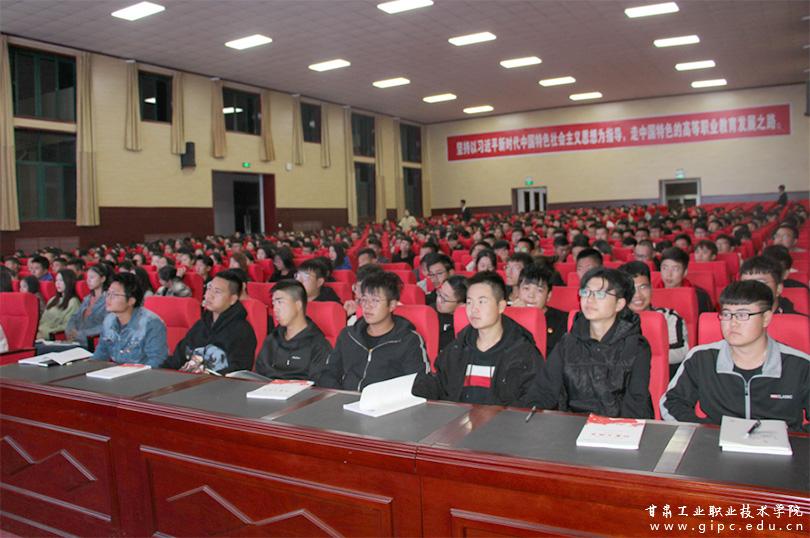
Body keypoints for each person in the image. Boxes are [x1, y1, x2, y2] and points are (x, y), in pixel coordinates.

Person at [661, 280, 809, 432]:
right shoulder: (701, 358)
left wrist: (793, 440)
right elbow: (671, 402)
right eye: (726, 314)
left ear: (766, 318)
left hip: (781, 443)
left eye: (742, 315)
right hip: (716, 441)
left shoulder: (800, 365)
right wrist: (705, 432)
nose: (732, 323)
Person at [527, 267, 654, 418]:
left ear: (619, 304)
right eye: (585, 292)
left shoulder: (636, 346)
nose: (589, 300)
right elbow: (544, 391)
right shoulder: (568, 342)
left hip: (617, 426)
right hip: (573, 424)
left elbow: (636, 404)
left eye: (600, 294)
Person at [412, 272, 543, 406]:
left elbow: (532, 402)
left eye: (482, 302)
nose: (474, 309)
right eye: (469, 302)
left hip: (504, 419)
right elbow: (438, 384)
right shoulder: (458, 348)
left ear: (501, 306)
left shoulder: (523, 353)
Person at [318, 271, 430, 390]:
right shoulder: (348, 335)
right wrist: (341, 396)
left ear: (392, 305)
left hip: (386, 400)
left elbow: (419, 384)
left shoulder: (409, 341)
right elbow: (328, 374)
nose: (367, 306)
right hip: (346, 398)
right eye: (364, 299)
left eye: (375, 301)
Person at [164, 270, 257, 374]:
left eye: (217, 292)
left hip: (217, 383)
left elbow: (238, 372)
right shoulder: (200, 325)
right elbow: (177, 359)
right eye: (209, 288)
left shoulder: (242, 331)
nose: (209, 295)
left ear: (233, 299)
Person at [620, 261, 689, 378]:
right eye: (631, 288)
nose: (637, 295)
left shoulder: (668, 318)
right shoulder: (612, 320)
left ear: (651, 288)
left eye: (643, 287)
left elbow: (680, 352)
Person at [254, 280, 332, 380]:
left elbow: (319, 384)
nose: (275, 309)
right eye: (273, 304)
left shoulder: (318, 345)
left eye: (280, 302)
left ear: (298, 305)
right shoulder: (272, 339)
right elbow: (258, 376)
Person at [93, 272, 167, 367]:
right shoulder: (109, 320)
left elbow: (157, 361)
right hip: (117, 372)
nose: (108, 299)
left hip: (141, 374)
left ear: (131, 301)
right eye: (108, 294)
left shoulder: (151, 323)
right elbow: (101, 353)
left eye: (114, 295)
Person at [511, 263, 569, 355]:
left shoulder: (564, 321)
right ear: (518, 291)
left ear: (548, 296)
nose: (531, 295)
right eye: (526, 288)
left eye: (539, 290)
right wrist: (514, 317)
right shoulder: (506, 318)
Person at [66, 263, 111, 346]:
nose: (88, 280)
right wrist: (69, 330)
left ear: (103, 279)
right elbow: (74, 317)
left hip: (93, 343)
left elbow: (106, 326)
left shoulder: (109, 300)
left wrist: (80, 334)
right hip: (76, 341)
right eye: (87, 277)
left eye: (92, 277)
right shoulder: (87, 299)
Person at [659, 247, 714, 314]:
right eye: (665, 268)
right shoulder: (651, 293)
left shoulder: (699, 296)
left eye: (675, 269)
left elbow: (706, 319)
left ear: (685, 272)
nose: (669, 274)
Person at [37, 270, 81, 339]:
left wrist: (47, 332)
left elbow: (67, 326)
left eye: (61, 280)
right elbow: (42, 321)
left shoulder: (73, 302)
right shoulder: (52, 300)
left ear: (69, 282)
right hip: (40, 335)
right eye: (56, 280)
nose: (57, 283)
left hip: (54, 338)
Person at [435, 275, 467, 353]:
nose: (438, 300)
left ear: (462, 304)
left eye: (444, 298)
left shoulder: (463, 326)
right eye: (439, 293)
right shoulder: (430, 312)